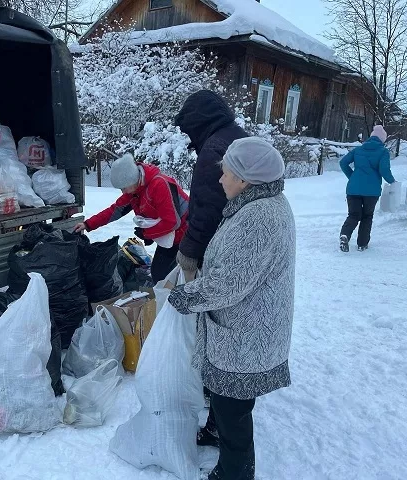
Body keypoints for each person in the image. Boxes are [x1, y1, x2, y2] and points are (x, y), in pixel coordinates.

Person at [168, 137, 296, 480]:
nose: (221, 179)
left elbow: (228, 283)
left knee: (233, 408)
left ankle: (234, 472)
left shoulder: (259, 217)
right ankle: (214, 432)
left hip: (246, 332)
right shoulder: (257, 204)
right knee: (226, 399)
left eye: (226, 173)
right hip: (245, 325)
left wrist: (185, 296)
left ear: (245, 178)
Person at [173, 90, 248, 448]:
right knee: (232, 331)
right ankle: (222, 403)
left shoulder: (213, 150)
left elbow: (205, 210)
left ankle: (218, 412)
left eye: (190, 131)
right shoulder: (238, 138)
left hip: (220, 256)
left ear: (199, 124)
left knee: (217, 328)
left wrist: (188, 254)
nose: (189, 139)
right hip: (243, 254)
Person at [74, 154, 189, 283]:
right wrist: (88, 224)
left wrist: (147, 234)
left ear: (132, 179)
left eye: (123, 188)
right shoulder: (135, 190)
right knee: (160, 275)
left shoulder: (159, 185)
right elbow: (114, 210)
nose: (123, 192)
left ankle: (175, 299)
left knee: (177, 275)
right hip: (170, 237)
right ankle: (168, 298)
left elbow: (172, 222)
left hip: (188, 233)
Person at [339, 125, 396, 252]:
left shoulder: (359, 150)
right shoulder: (383, 152)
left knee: (353, 214)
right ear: (382, 139)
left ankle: (345, 235)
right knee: (367, 216)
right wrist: (393, 182)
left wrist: (352, 176)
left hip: (353, 189)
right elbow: (384, 170)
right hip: (372, 191)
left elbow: (343, 163)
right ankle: (362, 244)